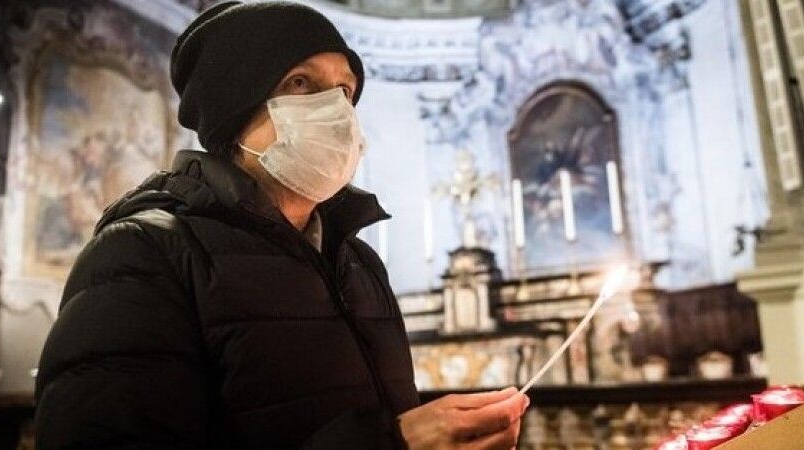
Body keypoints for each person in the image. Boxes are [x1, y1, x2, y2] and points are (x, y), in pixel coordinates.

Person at [34, 2, 529, 449]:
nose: (337, 111)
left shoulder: (360, 264)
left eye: (345, 91)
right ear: (234, 109)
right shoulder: (143, 254)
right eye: (300, 83)